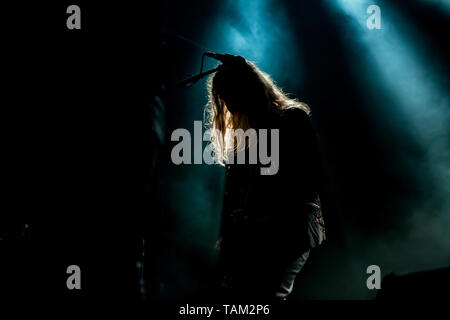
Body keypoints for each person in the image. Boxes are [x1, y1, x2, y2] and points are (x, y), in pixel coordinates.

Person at [205, 55, 326, 301]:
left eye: (231, 94)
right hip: (255, 238)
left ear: (249, 90)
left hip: (290, 228)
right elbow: (236, 198)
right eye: (224, 98)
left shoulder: (292, 118)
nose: (228, 104)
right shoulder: (243, 141)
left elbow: (309, 176)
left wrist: (267, 214)